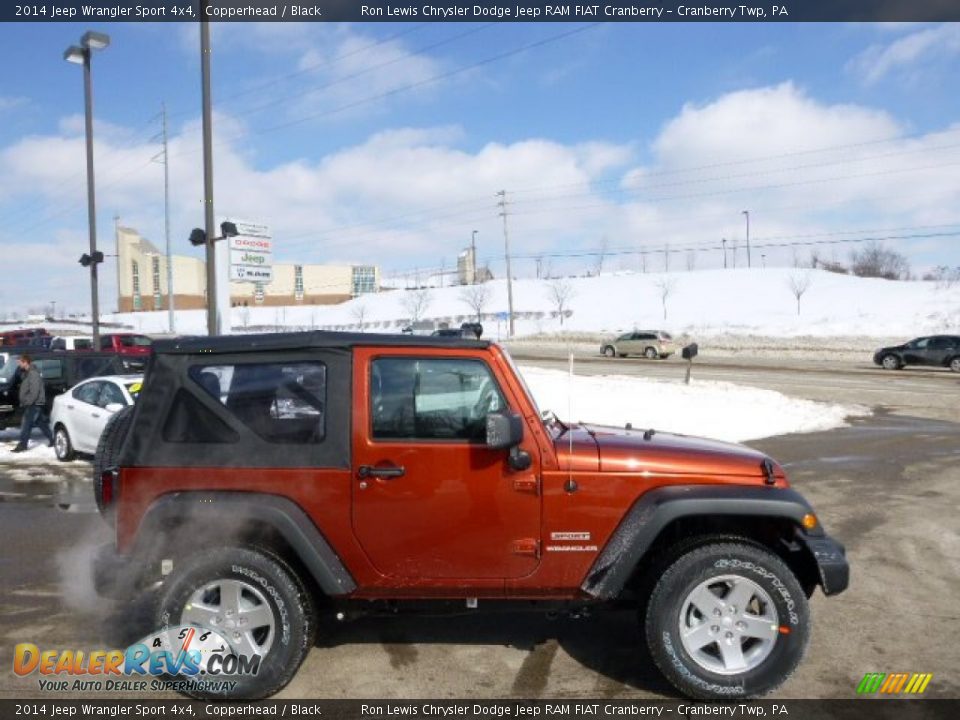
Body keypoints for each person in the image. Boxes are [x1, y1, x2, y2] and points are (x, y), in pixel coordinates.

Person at [11, 354, 54, 453]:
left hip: (33, 403)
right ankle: (53, 439)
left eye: (20, 363)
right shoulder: (27, 373)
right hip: (33, 403)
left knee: (26, 424)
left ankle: (22, 445)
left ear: (25, 362)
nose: (19, 365)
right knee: (40, 423)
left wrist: (28, 402)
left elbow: (34, 391)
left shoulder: (33, 374)